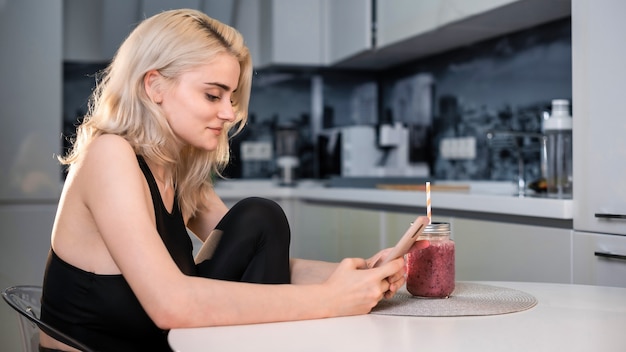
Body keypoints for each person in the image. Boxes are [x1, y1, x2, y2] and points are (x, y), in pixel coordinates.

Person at [40, 9, 410, 352]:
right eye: (212, 95)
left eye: (231, 97)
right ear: (154, 86)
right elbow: (171, 304)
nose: (229, 112)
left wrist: (358, 276)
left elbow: (263, 258)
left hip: (157, 343)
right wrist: (331, 300)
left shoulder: (177, 168)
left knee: (260, 219)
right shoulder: (109, 155)